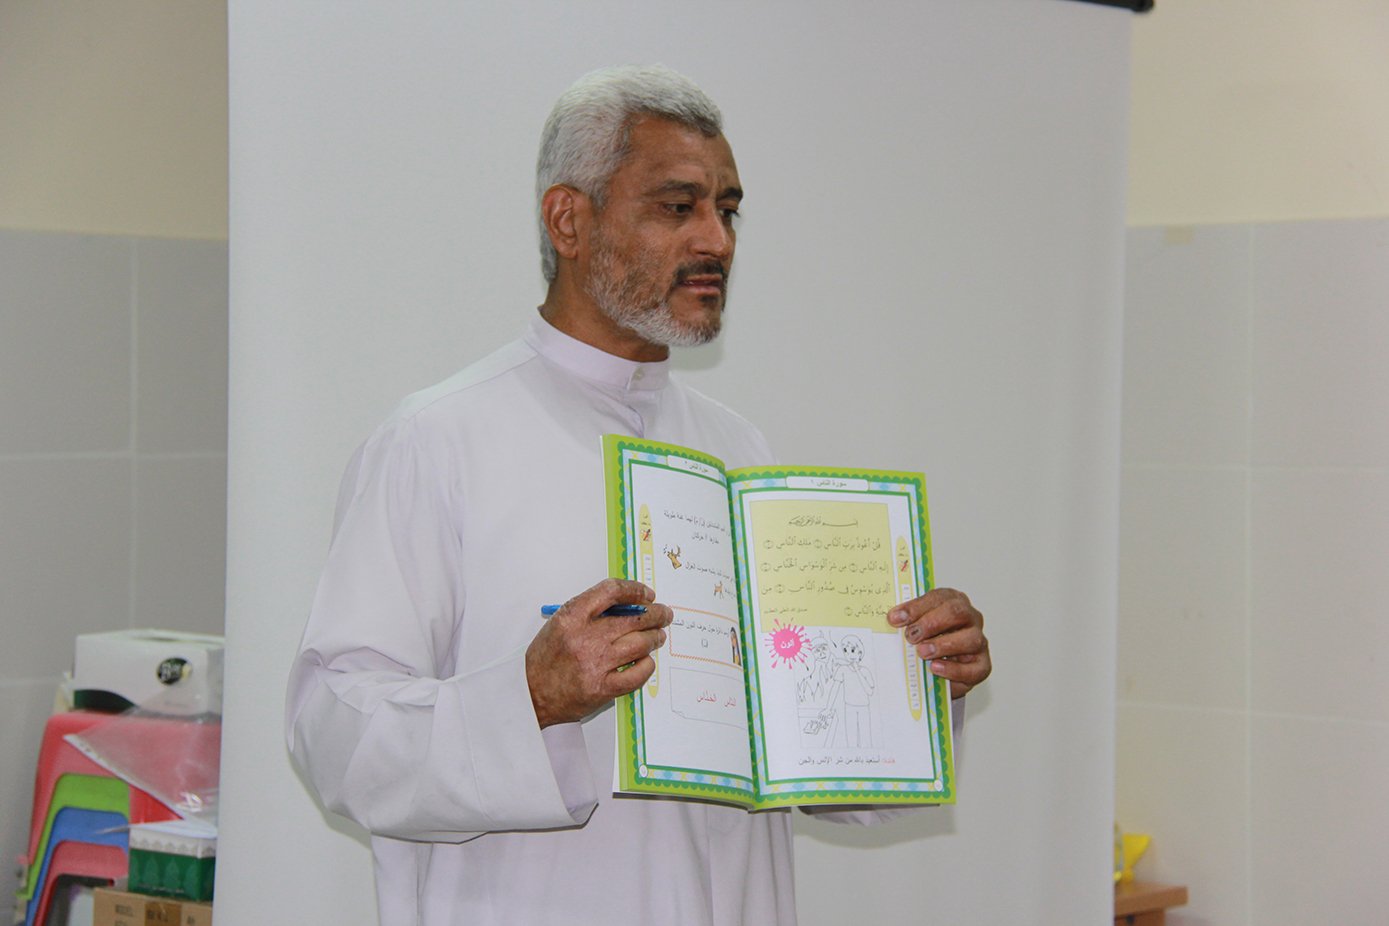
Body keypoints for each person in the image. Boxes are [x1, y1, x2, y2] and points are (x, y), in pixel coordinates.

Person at [286, 64, 991, 926]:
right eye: (677, 206)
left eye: (726, 209)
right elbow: (334, 736)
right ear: (568, 220)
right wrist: (530, 697)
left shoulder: (737, 451)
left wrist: (920, 679)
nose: (716, 241)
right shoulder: (436, 441)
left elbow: (808, 766)